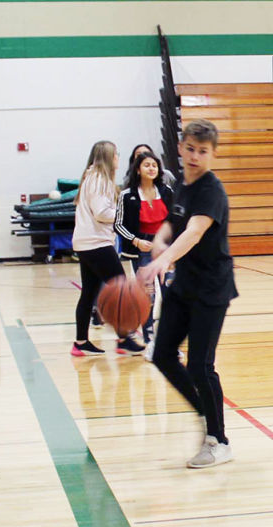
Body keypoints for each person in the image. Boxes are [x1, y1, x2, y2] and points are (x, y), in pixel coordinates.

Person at [142, 120, 237, 469]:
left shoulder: (212, 190)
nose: (196, 156)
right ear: (180, 148)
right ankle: (205, 411)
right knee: (163, 354)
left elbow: (195, 231)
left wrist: (164, 258)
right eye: (191, 149)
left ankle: (218, 441)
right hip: (184, 284)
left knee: (200, 364)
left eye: (203, 151)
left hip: (211, 288)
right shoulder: (182, 183)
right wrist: (160, 238)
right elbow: (174, 220)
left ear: (213, 154)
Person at [70, 140, 143, 357]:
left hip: (87, 242)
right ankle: (124, 338)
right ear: (109, 156)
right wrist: (126, 217)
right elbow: (101, 213)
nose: (118, 157)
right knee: (121, 288)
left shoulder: (91, 177)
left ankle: (80, 342)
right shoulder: (99, 178)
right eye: (116, 154)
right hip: (96, 243)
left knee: (89, 293)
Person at [115, 144, 173, 345]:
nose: (151, 168)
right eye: (147, 165)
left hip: (165, 251)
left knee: (170, 294)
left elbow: (176, 219)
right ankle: (149, 339)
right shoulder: (127, 195)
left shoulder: (166, 191)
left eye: (154, 165)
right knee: (148, 295)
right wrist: (136, 241)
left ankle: (169, 339)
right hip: (141, 252)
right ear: (138, 169)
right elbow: (118, 225)